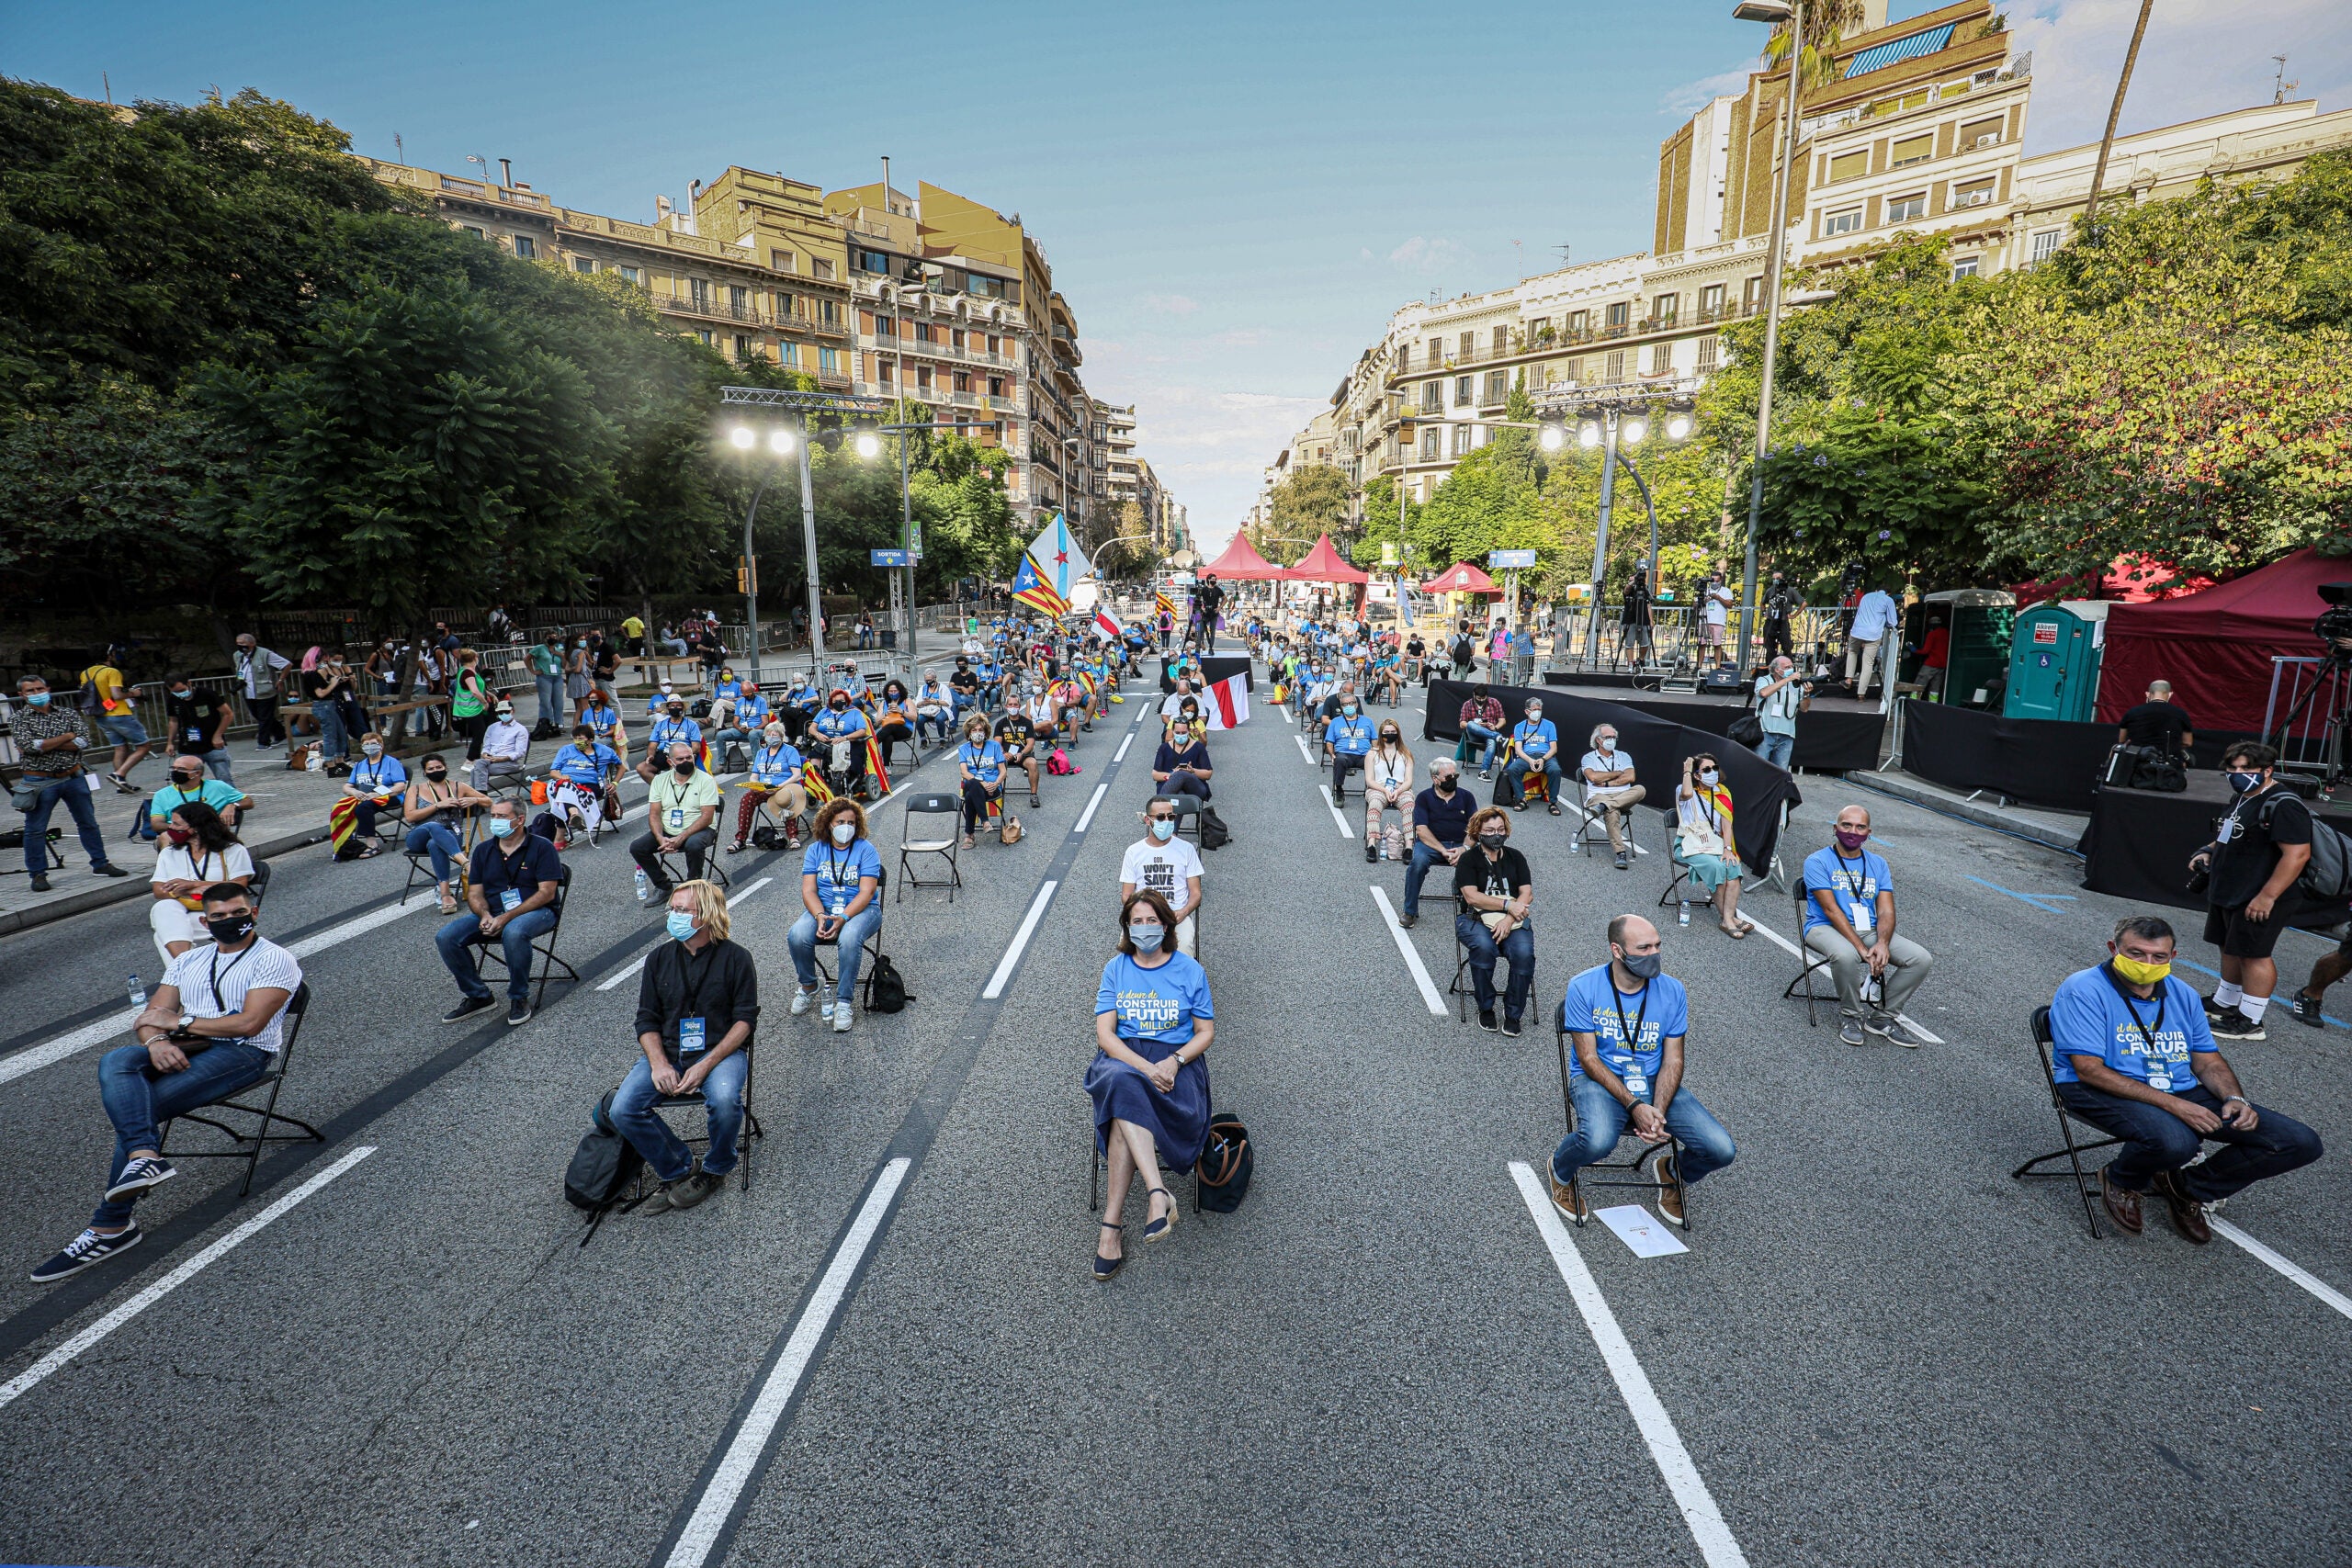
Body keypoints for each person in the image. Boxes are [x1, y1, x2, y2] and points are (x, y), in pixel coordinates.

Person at [32, 883, 301, 1283]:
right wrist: (157, 1041)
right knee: (118, 1058)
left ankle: (110, 1225)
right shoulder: (189, 961)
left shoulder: (275, 959)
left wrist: (175, 1024)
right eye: (220, 916)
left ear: (254, 913)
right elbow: (149, 1017)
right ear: (205, 922)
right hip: (188, 1045)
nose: (231, 921)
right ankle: (144, 1158)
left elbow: (248, 1023)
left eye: (238, 913)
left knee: (144, 1106)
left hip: (242, 1053)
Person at [2049, 915, 2322, 1240]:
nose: (2148, 963)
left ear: (2172, 957)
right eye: (2136, 953)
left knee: (2298, 1142)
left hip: (2176, 1088)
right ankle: (2122, 1179)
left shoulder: (2183, 994)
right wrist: (2176, 1107)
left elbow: (2207, 1060)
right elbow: (2088, 1069)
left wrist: (2234, 1099)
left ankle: (2187, 1187)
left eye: (2158, 956)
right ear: (2114, 949)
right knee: (2178, 1141)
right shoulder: (2083, 989)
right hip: (2099, 1087)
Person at [1546, 914, 1736, 1227]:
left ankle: (1673, 1172)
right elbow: (1589, 1059)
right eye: (1644, 948)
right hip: (1598, 1080)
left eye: (1658, 946)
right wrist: (1635, 1107)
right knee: (1598, 1141)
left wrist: (1657, 1112)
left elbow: (1673, 1060)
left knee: (1721, 1149)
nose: (1654, 955)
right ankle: (1560, 1170)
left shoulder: (1673, 990)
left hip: (1651, 1080)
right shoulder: (1583, 986)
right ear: (1617, 951)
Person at [608, 879, 761, 1213]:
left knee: (723, 1100)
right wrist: (659, 1063)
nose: (673, 915)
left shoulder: (737, 958)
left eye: (681, 910)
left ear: (706, 914)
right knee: (622, 1109)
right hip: (669, 1052)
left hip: (720, 1054)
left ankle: (716, 1169)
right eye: (672, 910)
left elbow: (744, 1022)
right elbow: (646, 1019)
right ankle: (677, 1167)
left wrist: (706, 1064)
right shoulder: (659, 958)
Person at [1085, 888, 1215, 1280]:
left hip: (1179, 1063)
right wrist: (1146, 1067)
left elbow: (1205, 1032)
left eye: (1152, 921)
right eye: (1136, 921)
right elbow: (1106, 1036)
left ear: (1166, 925)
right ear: (1127, 927)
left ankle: (1112, 1227)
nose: (1144, 928)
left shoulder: (1190, 970)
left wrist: (1173, 1062)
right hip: (1125, 1057)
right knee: (1124, 1083)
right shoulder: (1116, 969)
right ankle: (1157, 1193)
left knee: (1123, 1104)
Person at [2190, 742, 2311, 1042]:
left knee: (2254, 954)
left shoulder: (2284, 805)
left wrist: (2267, 896)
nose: (2237, 774)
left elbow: (2297, 855)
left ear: (2267, 771)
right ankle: (2226, 1003)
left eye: (2245, 769)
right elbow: (2228, 832)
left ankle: (2250, 1020)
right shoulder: (2242, 797)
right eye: (2232, 769)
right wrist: (2208, 850)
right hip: (2231, 888)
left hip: (2261, 894)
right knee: (2229, 945)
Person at [1804, 805, 1935, 1046]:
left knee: (1920, 958)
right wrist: (1862, 951)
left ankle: (1881, 1019)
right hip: (1824, 927)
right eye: (1847, 825)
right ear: (1835, 829)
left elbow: (1886, 909)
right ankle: (1851, 1016)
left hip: (1869, 930)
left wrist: (1883, 943)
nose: (1853, 831)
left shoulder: (1878, 864)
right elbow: (1831, 910)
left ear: (1868, 832)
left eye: (1860, 827)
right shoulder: (1817, 861)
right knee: (1846, 955)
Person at [435, 797, 561, 1027]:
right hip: (493, 912)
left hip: (538, 910)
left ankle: (518, 996)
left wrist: (505, 917)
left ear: (520, 820)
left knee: (513, 932)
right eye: (493, 816)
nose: (495, 821)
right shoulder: (484, 850)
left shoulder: (541, 847)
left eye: (501, 817)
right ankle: (479, 996)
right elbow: (474, 893)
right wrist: (484, 915)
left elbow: (546, 893)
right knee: (446, 937)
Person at [12, 675, 130, 893]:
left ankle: (101, 863)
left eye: (40, 688)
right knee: (35, 830)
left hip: (73, 776)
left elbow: (84, 741)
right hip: (39, 780)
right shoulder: (19, 719)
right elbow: (29, 747)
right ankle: (37, 873)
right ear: (22, 695)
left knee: (88, 823)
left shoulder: (67, 713)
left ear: (48, 688)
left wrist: (46, 744)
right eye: (31, 691)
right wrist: (67, 736)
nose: (37, 693)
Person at [786, 798, 882, 1033]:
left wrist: (844, 918)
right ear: (829, 823)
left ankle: (844, 1002)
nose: (846, 826)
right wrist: (820, 915)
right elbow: (808, 890)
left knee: (848, 938)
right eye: (841, 821)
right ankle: (809, 985)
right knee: (797, 935)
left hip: (862, 910)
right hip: (824, 908)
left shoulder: (866, 850)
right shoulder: (815, 850)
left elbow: (867, 891)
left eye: (851, 822)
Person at [1455, 806, 1535, 1035]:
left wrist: (1509, 919)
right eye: (1489, 830)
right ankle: (1486, 1007)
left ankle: (1513, 1013)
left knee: (1523, 954)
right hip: (1474, 920)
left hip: (1513, 920)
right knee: (1484, 947)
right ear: (1478, 831)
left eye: (1501, 829)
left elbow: (1527, 893)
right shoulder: (1469, 859)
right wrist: (1508, 904)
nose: (1496, 834)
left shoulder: (1516, 857)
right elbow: (1471, 896)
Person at [147, 802, 254, 962]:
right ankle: (187, 967)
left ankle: (183, 973)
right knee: (163, 906)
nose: (171, 828)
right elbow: (158, 890)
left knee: (162, 935)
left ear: (196, 827)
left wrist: (196, 885)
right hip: (184, 911)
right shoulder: (169, 853)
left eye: (177, 824)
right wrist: (186, 892)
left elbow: (239, 885)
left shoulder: (232, 850)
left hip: (221, 914)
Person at [1672, 753, 1753, 937]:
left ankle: (1728, 918)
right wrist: (1687, 770)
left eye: (1715, 768)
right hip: (1690, 846)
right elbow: (1686, 794)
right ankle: (1729, 919)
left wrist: (1728, 850)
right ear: (1697, 775)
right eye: (1707, 770)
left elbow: (1727, 825)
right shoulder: (1684, 790)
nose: (1713, 772)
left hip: (1715, 844)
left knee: (1732, 865)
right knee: (1716, 867)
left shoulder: (1723, 793)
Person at [634, 740, 722, 898]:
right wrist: (661, 838)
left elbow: (707, 817)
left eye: (689, 757)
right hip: (669, 830)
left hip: (701, 829)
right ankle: (663, 885)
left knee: (693, 844)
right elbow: (654, 814)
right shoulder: (659, 781)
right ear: (670, 762)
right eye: (680, 759)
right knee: (637, 847)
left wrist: (680, 838)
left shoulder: (706, 780)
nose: (686, 761)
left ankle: (693, 886)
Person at [402, 753, 489, 915]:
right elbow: (410, 817)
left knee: (435, 844)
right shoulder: (415, 790)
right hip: (418, 835)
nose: (435, 770)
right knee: (433, 826)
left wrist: (474, 800)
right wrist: (437, 805)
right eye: (431, 769)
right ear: (424, 772)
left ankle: (445, 894)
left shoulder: (458, 786)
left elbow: (489, 801)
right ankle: (466, 864)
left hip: (450, 835)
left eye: (439, 767)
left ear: (446, 768)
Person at [1121, 800, 1206, 957]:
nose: (1167, 821)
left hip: (1176, 916)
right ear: (1148, 820)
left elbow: (1196, 893)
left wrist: (1184, 912)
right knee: (1128, 951)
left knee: (1185, 948)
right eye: (1161, 817)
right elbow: (1127, 894)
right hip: (1144, 916)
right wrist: (1140, 915)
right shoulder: (1133, 852)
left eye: (1171, 817)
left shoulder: (1186, 849)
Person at [80, 647, 153, 794]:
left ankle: (121, 784)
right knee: (144, 746)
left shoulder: (85, 673)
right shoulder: (111, 672)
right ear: (109, 655)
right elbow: (117, 695)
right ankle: (118, 775)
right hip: (119, 714)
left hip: (101, 715)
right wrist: (134, 693)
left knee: (120, 747)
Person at [729, 724, 808, 852]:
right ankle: (740, 839)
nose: (771, 737)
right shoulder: (761, 753)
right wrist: (754, 785)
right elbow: (754, 776)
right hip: (765, 787)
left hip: (785, 787)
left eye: (774, 735)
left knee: (784, 798)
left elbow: (797, 775)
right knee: (747, 799)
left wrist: (779, 787)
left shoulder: (790, 751)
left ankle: (793, 836)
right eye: (769, 734)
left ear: (781, 737)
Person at [1577, 724, 1646, 870]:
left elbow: (1631, 777)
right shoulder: (1588, 758)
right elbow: (1593, 777)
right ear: (1599, 740)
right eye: (1608, 737)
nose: (1612, 740)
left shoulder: (1624, 756)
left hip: (1623, 796)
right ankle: (1621, 853)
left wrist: (1607, 784)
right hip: (1598, 796)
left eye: (1614, 737)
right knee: (1612, 812)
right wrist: (1617, 773)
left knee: (1640, 789)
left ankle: (1604, 807)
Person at [332, 730, 408, 860]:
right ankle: (344, 842)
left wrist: (377, 794)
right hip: (365, 796)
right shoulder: (360, 765)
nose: (370, 747)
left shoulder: (391, 762)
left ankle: (372, 845)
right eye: (366, 744)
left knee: (363, 807)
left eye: (373, 743)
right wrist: (354, 792)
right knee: (339, 808)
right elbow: (346, 786)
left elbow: (400, 786)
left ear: (381, 745)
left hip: (390, 796)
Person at [548, 723, 622, 843]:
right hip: (567, 784)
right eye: (575, 738)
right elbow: (553, 772)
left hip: (592, 786)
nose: (577, 741)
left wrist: (614, 783)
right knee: (561, 788)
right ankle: (573, 814)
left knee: (561, 793)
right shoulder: (566, 750)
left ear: (591, 739)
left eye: (580, 739)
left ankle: (561, 835)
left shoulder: (605, 751)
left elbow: (621, 767)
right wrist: (562, 777)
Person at [149, 754, 248, 837]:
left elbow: (248, 802)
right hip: (179, 834)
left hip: (211, 833)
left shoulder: (218, 786)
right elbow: (156, 824)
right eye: (173, 768)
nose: (175, 772)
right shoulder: (162, 794)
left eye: (181, 769)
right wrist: (182, 827)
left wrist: (233, 805)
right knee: (164, 838)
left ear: (197, 773)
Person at [164, 673, 236, 784]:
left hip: (212, 745)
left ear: (189, 683)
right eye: (175, 692)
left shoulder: (207, 694)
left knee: (224, 780)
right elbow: (173, 721)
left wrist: (218, 735)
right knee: (186, 781)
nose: (179, 694)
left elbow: (228, 714)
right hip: (188, 746)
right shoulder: (173, 699)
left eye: (181, 690)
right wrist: (170, 742)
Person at [1363, 721, 1415, 864]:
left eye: (1393, 732)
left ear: (1398, 734)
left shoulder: (1405, 754)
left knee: (1409, 805)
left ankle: (1409, 845)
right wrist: (1385, 790)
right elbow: (1369, 780)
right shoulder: (1372, 754)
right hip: (1378, 787)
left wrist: (1398, 791)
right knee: (1374, 804)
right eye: (1387, 732)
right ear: (1381, 734)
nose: (1390, 735)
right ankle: (1372, 843)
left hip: (1400, 788)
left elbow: (1409, 780)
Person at [1502, 697, 1564, 815]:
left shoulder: (1549, 725)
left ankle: (1553, 803)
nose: (1537, 712)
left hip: (1546, 756)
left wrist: (1542, 759)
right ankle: (1522, 800)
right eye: (1534, 709)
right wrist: (1530, 760)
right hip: (1527, 756)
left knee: (1555, 770)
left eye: (1539, 709)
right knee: (1512, 770)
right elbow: (1518, 750)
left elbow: (1554, 748)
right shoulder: (1519, 727)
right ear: (1527, 711)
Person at [956, 715, 1008, 849]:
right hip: (974, 784)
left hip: (992, 787)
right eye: (974, 730)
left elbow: (1003, 771)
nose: (978, 733)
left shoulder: (995, 746)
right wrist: (982, 783)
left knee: (969, 796)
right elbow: (964, 772)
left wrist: (996, 783)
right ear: (969, 732)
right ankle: (985, 821)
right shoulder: (964, 749)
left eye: (980, 730)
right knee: (973, 783)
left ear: (985, 732)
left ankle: (969, 835)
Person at [233, 633, 291, 750]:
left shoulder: (265, 654)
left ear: (252, 644)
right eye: (238, 644)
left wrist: (280, 680)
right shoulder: (237, 655)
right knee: (259, 715)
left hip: (265, 690)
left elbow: (287, 664)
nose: (241, 647)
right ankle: (280, 733)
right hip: (248, 691)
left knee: (264, 717)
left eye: (243, 644)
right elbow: (240, 670)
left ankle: (264, 742)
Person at [1752, 657, 1810, 773]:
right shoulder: (1764, 680)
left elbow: (1804, 709)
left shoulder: (1796, 685)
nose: (1791, 669)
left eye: (1792, 667)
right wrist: (1787, 679)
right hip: (1765, 732)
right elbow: (1764, 693)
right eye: (1787, 667)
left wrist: (1806, 695)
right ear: (1777, 670)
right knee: (1758, 769)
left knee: (1780, 773)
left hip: (1787, 734)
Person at [2118, 681, 2195, 762]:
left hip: (2137, 763)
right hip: (2169, 765)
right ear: (2170, 694)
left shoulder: (2132, 712)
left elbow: (2122, 740)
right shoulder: (2181, 714)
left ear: (2147, 694)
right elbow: (2188, 742)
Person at [1846, 582, 1899, 699]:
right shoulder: (1888, 600)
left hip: (1857, 630)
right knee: (1868, 662)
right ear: (1888, 593)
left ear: (1876, 590)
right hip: (1873, 634)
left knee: (1852, 652)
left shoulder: (1866, 596)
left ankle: (1848, 679)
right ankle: (1861, 694)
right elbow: (1892, 622)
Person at [1323, 686, 1374, 802]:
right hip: (1344, 754)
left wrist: (1375, 753)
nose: (1348, 706)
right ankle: (1339, 789)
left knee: (1374, 760)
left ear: (1356, 705)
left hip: (1363, 754)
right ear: (1341, 707)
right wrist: (1332, 755)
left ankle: (1373, 789)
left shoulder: (1367, 721)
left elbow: (1375, 741)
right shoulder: (1335, 722)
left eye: (1351, 703)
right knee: (1339, 760)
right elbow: (1329, 742)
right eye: (1345, 704)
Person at [639, 696, 704, 784]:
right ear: (668, 708)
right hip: (664, 753)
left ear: (682, 708)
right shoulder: (660, 725)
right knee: (641, 768)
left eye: (678, 705)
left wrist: (684, 756)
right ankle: (660, 789)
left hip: (683, 755)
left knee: (678, 765)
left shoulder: (691, 725)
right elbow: (652, 745)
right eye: (672, 706)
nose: (675, 708)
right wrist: (650, 755)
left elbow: (696, 747)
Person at [447, 647, 492, 770]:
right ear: (474, 658)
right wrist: (484, 702)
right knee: (479, 734)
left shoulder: (467, 671)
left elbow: (479, 688)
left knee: (482, 732)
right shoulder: (468, 673)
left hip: (471, 708)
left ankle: (476, 759)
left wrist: (490, 695)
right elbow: (474, 691)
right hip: (470, 709)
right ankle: (470, 760)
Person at [994, 699, 1044, 810]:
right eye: (1010, 704)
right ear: (1006, 706)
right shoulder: (1001, 723)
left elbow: (1030, 743)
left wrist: (1021, 753)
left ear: (1019, 706)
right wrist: (1004, 753)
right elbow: (997, 743)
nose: (1013, 707)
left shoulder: (1027, 722)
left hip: (1022, 754)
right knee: (991, 764)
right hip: (1005, 754)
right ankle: (994, 792)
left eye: (1015, 704)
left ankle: (1033, 795)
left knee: (1033, 763)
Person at [473, 700, 531, 793]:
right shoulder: (492, 727)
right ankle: (481, 796)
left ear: (513, 711)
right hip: (490, 760)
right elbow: (486, 746)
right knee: (479, 765)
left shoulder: (520, 729)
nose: (504, 714)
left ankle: (480, 797)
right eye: (501, 712)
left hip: (509, 763)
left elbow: (520, 752)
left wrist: (502, 759)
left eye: (506, 712)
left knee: (476, 770)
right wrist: (484, 754)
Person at [1153, 719, 1214, 802]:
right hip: (1171, 788)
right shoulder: (1164, 748)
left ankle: (1158, 807)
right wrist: (1172, 775)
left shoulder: (1199, 747)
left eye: (1183, 733)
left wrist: (1192, 771)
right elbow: (1155, 775)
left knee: (1181, 774)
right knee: (1179, 796)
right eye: (1177, 733)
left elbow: (1208, 774)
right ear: (1173, 731)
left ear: (1189, 731)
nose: (1180, 735)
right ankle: (1163, 811)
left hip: (1195, 788)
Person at [1457, 685, 1506, 777]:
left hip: (1489, 733)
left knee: (1491, 741)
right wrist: (1477, 725)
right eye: (1479, 698)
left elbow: (1502, 720)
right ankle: (1497, 736)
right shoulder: (1467, 704)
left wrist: (1495, 727)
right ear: (1474, 695)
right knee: (1471, 724)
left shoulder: (1494, 703)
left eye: (1483, 698)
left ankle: (1483, 772)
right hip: (1474, 735)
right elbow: (1462, 724)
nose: (1481, 700)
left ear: (1487, 695)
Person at [530, 634, 566, 733]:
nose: (553, 638)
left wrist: (562, 655)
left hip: (557, 676)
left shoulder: (558, 649)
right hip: (544, 676)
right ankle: (546, 724)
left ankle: (560, 723)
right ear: (545, 638)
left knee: (559, 702)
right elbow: (527, 658)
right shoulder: (540, 648)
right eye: (550, 636)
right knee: (546, 701)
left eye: (555, 637)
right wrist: (533, 671)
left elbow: (563, 665)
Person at [1761, 571, 1796, 665]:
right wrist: (1764, 613)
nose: (1776, 580)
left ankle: (1789, 668)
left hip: (1783, 621)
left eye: (1778, 578)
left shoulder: (1790, 590)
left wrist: (1794, 615)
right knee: (1770, 647)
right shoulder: (1770, 590)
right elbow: (1762, 602)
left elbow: (1803, 603)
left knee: (1786, 647)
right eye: (1774, 579)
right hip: (1771, 621)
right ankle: (1770, 667)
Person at [1618, 573, 1654, 667]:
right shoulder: (1629, 592)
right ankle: (1630, 663)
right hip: (1630, 619)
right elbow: (1626, 590)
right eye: (1630, 580)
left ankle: (1641, 659)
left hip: (1643, 619)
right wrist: (1634, 581)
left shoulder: (1644, 590)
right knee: (1629, 643)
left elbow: (1649, 605)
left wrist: (1651, 621)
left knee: (1645, 643)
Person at [1914, 612, 1950, 700]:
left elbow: (1925, 651)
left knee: (1918, 685)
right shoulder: (1946, 633)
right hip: (1942, 665)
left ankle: (1913, 702)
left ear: (1932, 625)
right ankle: (1932, 706)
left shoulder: (1932, 634)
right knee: (1935, 688)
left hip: (1931, 664)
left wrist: (1914, 650)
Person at [913, 674, 954, 746]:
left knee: (939, 718)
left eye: (930, 680)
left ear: (935, 678)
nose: (928, 682)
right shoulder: (922, 688)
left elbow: (948, 703)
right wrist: (923, 702)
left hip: (941, 708)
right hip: (926, 710)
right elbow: (917, 704)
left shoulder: (943, 688)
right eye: (926, 680)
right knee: (919, 719)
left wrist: (936, 702)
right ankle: (923, 740)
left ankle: (942, 739)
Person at [1194, 573, 1225, 652]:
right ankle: (1199, 646)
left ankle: (1211, 647)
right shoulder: (1204, 589)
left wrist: (1219, 607)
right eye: (1212, 579)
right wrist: (1202, 608)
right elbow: (1197, 599)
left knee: (1212, 632)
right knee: (1200, 630)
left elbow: (1225, 598)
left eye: (1215, 579)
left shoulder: (1218, 589)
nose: (1214, 580)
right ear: (1208, 579)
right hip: (1205, 613)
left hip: (1214, 613)